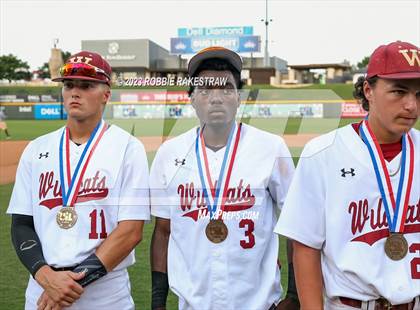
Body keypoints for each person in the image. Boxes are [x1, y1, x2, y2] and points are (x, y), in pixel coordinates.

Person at [150, 46, 298, 310]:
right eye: (205, 90)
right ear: (192, 98)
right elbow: (162, 232)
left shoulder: (271, 148)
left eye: (226, 88)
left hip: (259, 304)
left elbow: (296, 225)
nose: (216, 98)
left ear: (239, 97)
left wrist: (295, 296)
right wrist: (158, 303)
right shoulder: (168, 153)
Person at [275, 40, 420, 309]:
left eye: (419, 94)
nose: (411, 105)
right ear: (369, 90)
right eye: (398, 91)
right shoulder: (322, 153)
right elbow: (305, 246)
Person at [7, 51, 150, 310]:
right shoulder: (37, 148)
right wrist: (46, 276)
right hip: (42, 290)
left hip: (104, 295)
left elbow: (130, 231)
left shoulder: (128, 147)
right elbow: (21, 224)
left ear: (106, 94)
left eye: (86, 85)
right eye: (69, 85)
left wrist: (69, 285)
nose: (75, 92)